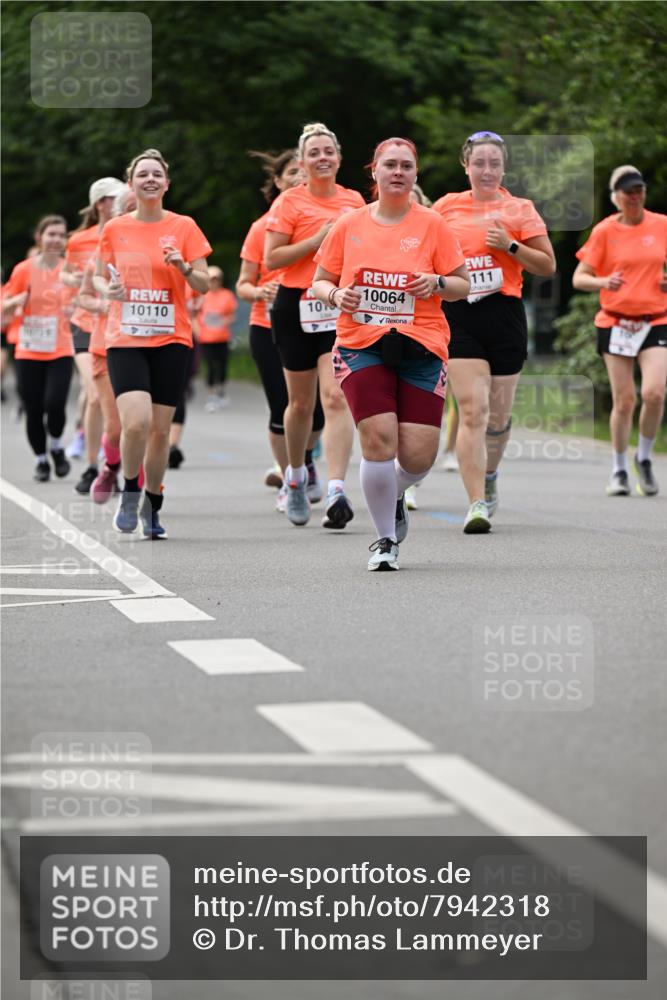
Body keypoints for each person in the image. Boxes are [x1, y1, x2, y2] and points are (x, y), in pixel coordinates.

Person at [312, 137, 469, 570]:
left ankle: (394, 491)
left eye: (406, 166)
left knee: (418, 456)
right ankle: (384, 541)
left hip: (422, 343)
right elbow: (319, 281)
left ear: (415, 174)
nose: (398, 172)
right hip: (361, 342)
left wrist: (436, 283)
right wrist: (337, 295)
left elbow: (462, 285)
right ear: (375, 171)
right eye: (390, 165)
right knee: (379, 439)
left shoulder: (434, 225)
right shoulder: (349, 224)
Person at [433, 130, 556, 533]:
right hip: (459, 313)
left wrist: (510, 246)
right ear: (465, 166)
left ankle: (489, 475)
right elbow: (421, 249)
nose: (487, 170)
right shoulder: (446, 207)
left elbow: (547, 265)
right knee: (473, 410)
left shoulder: (520, 209)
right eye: (479, 163)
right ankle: (476, 503)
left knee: (498, 419)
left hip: (504, 315)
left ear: (504, 168)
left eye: (494, 164)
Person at [94, 148, 211, 539]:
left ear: (166, 184)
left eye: (156, 174)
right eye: (142, 174)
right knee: (136, 422)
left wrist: (184, 267)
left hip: (171, 338)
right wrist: (108, 289)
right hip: (125, 338)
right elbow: (97, 277)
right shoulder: (115, 228)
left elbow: (203, 283)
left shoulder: (184, 226)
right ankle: (130, 490)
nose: (150, 179)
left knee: (161, 431)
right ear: (131, 184)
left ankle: (152, 502)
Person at [265, 123, 365, 528]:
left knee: (337, 396)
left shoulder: (354, 201)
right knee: (301, 404)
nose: (322, 158)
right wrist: (319, 238)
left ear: (338, 158)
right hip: (297, 304)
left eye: (328, 151)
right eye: (314, 153)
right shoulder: (289, 202)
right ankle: (295, 476)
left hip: (339, 304)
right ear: (303, 162)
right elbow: (273, 259)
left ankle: (337, 489)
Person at [236, 148, 324, 511]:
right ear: (277, 181)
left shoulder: (326, 217)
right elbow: (243, 284)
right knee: (281, 406)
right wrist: (259, 291)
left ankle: (306, 461)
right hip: (267, 323)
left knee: (318, 409)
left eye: (304, 172)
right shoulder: (262, 227)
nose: (300, 178)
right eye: (292, 173)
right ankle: (290, 476)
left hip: (318, 320)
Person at [573, 165, 667, 496]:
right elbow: (579, 277)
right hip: (615, 322)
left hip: (655, 320)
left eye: (639, 189)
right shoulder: (605, 231)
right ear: (616, 197)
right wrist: (603, 281)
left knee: (654, 393)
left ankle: (644, 457)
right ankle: (619, 468)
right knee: (625, 400)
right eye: (628, 191)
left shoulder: (662, 225)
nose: (635, 196)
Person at [62, 177, 126, 490]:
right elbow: (69, 277)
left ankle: (112, 462)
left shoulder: (127, 233)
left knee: (111, 400)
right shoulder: (80, 240)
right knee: (95, 394)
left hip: (119, 327)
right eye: (115, 197)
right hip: (86, 324)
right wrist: (78, 281)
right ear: (101, 203)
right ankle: (91, 466)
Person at [5, 215, 74, 481]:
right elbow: (4, 304)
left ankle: (56, 446)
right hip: (28, 349)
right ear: (39, 237)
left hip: (61, 348)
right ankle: (41, 460)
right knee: (33, 408)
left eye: (61, 235)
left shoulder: (70, 270)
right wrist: (15, 302)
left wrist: (76, 308)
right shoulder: (23, 270)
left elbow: (83, 301)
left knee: (55, 403)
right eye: (51, 234)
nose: (56, 239)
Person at [198, 266, 237, 411]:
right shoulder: (202, 295)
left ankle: (220, 390)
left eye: (216, 279)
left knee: (222, 366)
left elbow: (232, 315)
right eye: (211, 279)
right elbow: (195, 314)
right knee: (210, 366)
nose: (213, 282)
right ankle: (211, 395)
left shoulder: (227, 295)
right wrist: (198, 330)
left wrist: (223, 321)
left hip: (222, 338)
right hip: (206, 338)